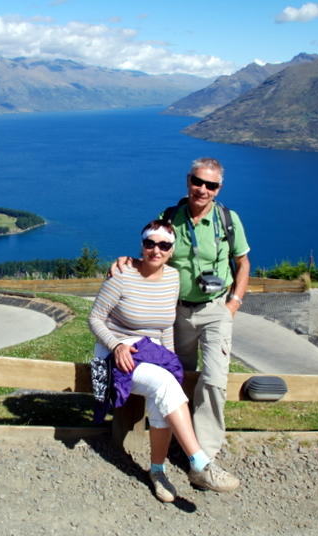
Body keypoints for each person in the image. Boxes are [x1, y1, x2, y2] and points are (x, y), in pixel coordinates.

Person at [113, 157, 250, 488]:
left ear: (219, 189)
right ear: (188, 181)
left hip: (216, 308)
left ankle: (204, 457)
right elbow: (154, 251)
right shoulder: (170, 218)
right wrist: (127, 261)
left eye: (211, 185)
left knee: (215, 381)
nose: (202, 189)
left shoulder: (228, 220)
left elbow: (243, 263)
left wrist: (234, 303)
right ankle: (177, 442)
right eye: (197, 182)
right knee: (179, 376)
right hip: (177, 311)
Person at [89, 219, 240, 503]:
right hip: (116, 354)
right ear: (142, 245)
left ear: (171, 251)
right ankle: (199, 463)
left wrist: (171, 361)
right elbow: (95, 318)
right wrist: (116, 344)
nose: (155, 250)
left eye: (163, 245)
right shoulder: (121, 276)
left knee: (167, 391)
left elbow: (165, 326)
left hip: (153, 352)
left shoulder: (172, 279)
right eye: (150, 243)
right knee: (163, 384)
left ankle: (157, 471)